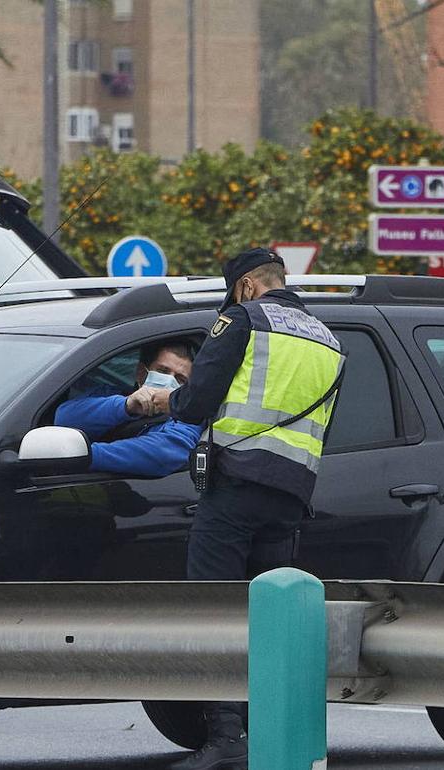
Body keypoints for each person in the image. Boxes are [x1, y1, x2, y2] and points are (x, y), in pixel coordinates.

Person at [157, 248, 344, 770]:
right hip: (291, 492)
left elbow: (197, 403)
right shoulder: (329, 339)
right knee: (271, 618)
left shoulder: (243, 319)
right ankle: (269, 735)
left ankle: (225, 735)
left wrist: (164, 402)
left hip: (237, 484)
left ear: (244, 286)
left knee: (215, 607)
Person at [54, 341, 203, 477]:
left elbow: (164, 453)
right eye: (162, 371)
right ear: (141, 373)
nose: (169, 381)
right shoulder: (112, 396)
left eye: (180, 379)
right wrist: (125, 407)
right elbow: (62, 419)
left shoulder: (187, 418)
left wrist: (84, 456)